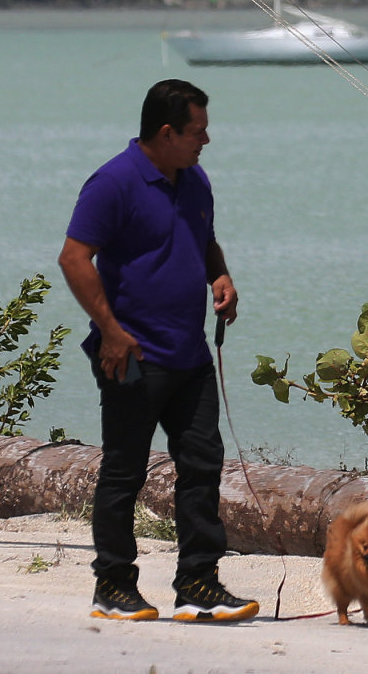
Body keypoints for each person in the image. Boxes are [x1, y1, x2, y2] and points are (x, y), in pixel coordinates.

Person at [58, 78, 259, 623]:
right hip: (131, 357)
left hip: (190, 356)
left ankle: (198, 581)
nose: (206, 140)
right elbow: (75, 258)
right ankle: (113, 585)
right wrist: (111, 330)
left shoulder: (194, 180)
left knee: (203, 464)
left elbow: (203, 237)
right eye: (198, 131)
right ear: (166, 132)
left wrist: (220, 275)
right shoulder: (114, 182)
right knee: (124, 471)